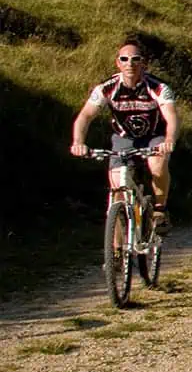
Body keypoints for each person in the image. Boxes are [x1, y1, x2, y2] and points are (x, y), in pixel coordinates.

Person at [68, 37, 179, 235]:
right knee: (118, 193)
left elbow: (171, 117)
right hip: (124, 138)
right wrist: (78, 142)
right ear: (117, 62)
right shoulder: (106, 88)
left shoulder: (159, 87)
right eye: (125, 59)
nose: (130, 64)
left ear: (143, 63)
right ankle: (117, 254)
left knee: (157, 164)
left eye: (135, 59)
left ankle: (160, 210)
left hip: (154, 135)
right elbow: (85, 116)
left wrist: (169, 140)